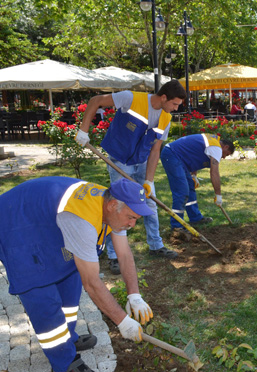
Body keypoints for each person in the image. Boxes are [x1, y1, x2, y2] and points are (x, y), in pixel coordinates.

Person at [0, 177, 154, 372]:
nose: (132, 224)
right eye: (131, 217)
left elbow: (125, 255)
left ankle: (68, 337)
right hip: (12, 226)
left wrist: (134, 295)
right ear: (111, 206)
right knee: (41, 293)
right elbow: (91, 283)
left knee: (69, 276)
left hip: (41, 222)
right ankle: (64, 360)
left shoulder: (116, 205)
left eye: (136, 218)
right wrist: (122, 321)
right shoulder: (82, 219)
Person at [75, 80, 186, 274]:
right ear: (164, 97)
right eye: (175, 104)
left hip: (142, 161)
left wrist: (149, 180)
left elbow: (155, 150)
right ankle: (113, 255)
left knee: (150, 202)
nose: (176, 109)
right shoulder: (131, 98)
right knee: (117, 206)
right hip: (119, 160)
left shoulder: (166, 119)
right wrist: (83, 130)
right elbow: (95, 101)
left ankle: (156, 245)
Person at [160, 133, 234, 234]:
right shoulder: (216, 147)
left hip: (178, 157)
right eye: (227, 153)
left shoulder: (212, 141)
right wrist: (218, 194)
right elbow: (214, 172)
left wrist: (193, 175)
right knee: (181, 191)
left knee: (190, 188)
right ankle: (177, 226)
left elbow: (194, 154)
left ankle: (195, 218)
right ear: (225, 147)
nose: (224, 157)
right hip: (172, 155)